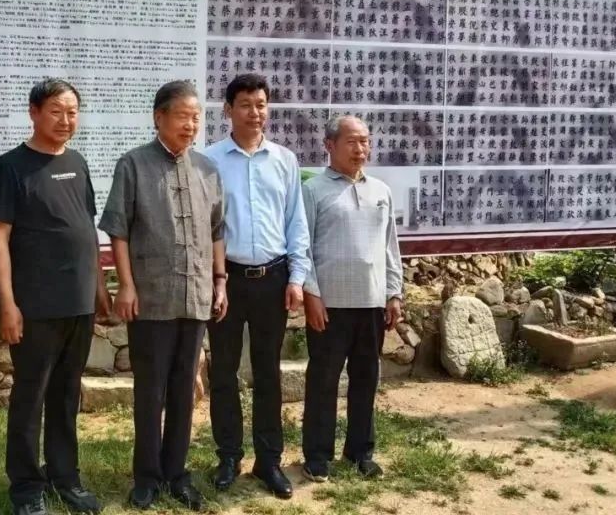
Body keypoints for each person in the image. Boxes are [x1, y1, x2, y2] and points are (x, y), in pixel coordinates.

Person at [99, 80, 227, 512]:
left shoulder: (207, 170)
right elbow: (118, 230)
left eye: (196, 118)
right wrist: (126, 285)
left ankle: (177, 473)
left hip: (196, 297)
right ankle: (146, 477)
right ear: (159, 117)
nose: (190, 125)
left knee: (183, 390)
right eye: (182, 116)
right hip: (151, 299)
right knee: (150, 391)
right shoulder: (133, 165)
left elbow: (217, 231)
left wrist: (220, 280)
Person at [0, 78, 112, 515]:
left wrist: (99, 286)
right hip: (35, 306)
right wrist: (7, 303)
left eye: (72, 112)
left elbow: (87, 229)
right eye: (56, 111)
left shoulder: (77, 163)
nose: (65, 120)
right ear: (34, 113)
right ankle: (26, 487)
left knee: (66, 393)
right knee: (30, 397)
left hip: (78, 303)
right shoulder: (11, 168)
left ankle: (65, 477)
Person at [202, 73, 311, 499]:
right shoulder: (209, 160)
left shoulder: (284, 160)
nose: (255, 112)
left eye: (261, 104)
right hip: (226, 280)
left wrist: (297, 278)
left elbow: (295, 222)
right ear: (228, 110)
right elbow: (208, 226)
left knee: (268, 373)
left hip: (273, 278)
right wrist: (215, 280)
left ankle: (269, 461)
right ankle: (228, 456)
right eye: (245, 104)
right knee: (224, 372)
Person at [299, 115, 403, 483]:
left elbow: (390, 247)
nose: (360, 149)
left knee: (366, 379)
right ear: (329, 145)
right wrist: (311, 293)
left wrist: (394, 292)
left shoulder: (381, 191)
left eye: (365, 141)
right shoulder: (313, 191)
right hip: (329, 305)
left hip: (371, 302)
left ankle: (361, 452)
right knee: (323, 380)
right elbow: (303, 248)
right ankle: (317, 455)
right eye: (351, 141)